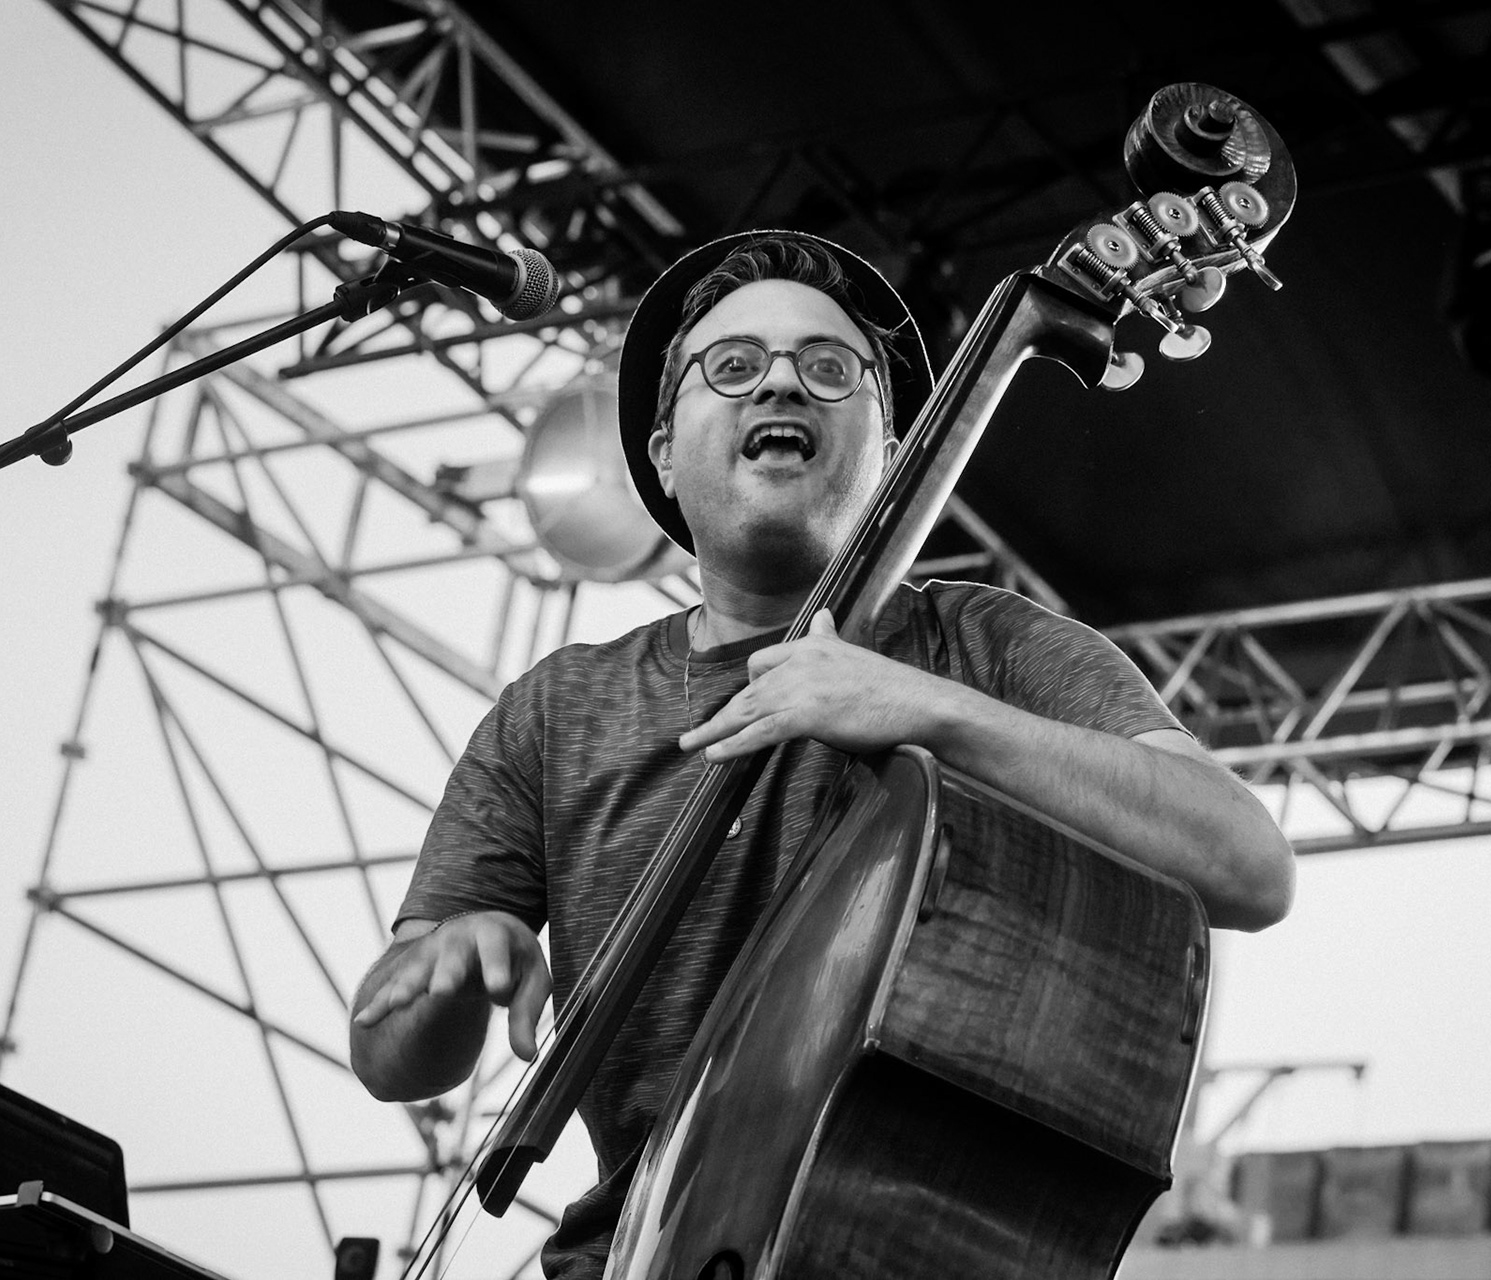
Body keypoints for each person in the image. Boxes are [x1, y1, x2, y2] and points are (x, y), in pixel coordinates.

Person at [349, 230, 1296, 1277]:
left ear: (893, 450)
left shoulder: (977, 647)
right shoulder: (555, 711)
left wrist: (925, 709)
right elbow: (391, 1061)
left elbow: (1246, 863)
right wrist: (437, 965)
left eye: (830, 368)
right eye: (735, 365)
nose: (782, 385)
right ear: (662, 450)